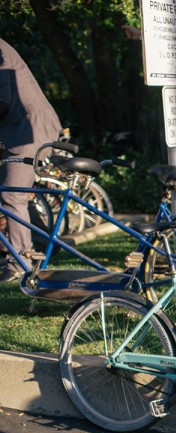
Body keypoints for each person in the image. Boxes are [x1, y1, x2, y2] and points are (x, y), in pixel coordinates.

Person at [0, 38, 63, 283]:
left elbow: (2, 99)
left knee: (12, 195)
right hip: (23, 129)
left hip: (29, 130)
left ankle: (19, 262)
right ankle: (45, 243)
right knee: (11, 191)